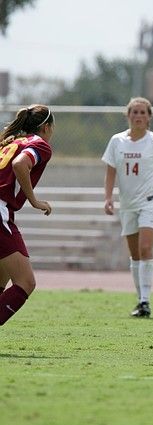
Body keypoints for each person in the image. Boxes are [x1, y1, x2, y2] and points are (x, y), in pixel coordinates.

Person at [102, 97, 153, 318]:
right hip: (128, 204)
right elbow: (111, 171)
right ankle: (141, 301)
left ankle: (146, 300)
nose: (138, 116)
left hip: (152, 201)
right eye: (134, 112)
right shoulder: (116, 141)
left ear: (149, 117)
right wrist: (108, 197)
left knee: (145, 248)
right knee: (135, 254)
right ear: (128, 115)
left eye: (142, 112)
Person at [0, 105, 54, 327]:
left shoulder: (9, 141)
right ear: (46, 127)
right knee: (26, 282)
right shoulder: (39, 144)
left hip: (4, 210)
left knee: (1, 277)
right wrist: (34, 200)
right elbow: (21, 163)